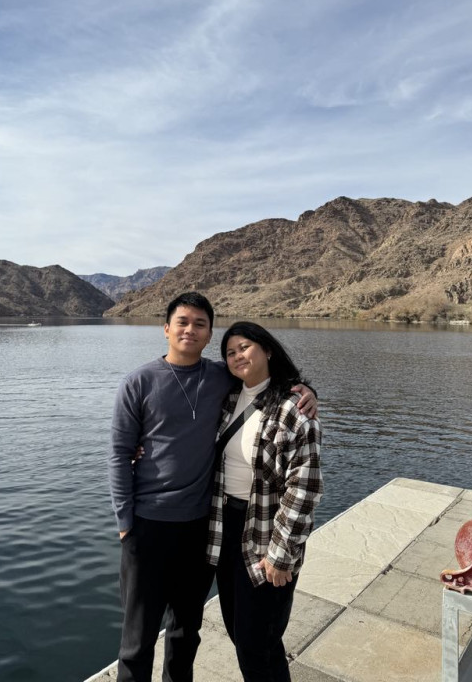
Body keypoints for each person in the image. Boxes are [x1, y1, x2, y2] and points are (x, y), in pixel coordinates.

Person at [109, 292, 318, 682]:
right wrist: (125, 522)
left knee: (187, 630)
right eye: (183, 322)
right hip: (148, 526)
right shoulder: (138, 382)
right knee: (138, 639)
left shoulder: (221, 377)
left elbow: (272, 385)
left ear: (208, 336)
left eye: (200, 324)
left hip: (202, 528)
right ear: (167, 328)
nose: (190, 330)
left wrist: (307, 391)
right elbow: (119, 454)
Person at [206, 321, 323, 682]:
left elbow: (304, 487)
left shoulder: (293, 407)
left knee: (258, 642)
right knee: (240, 632)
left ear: (267, 349)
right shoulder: (226, 397)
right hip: (225, 529)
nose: (237, 356)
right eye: (229, 352)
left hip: (266, 533)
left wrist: (280, 554)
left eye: (244, 347)